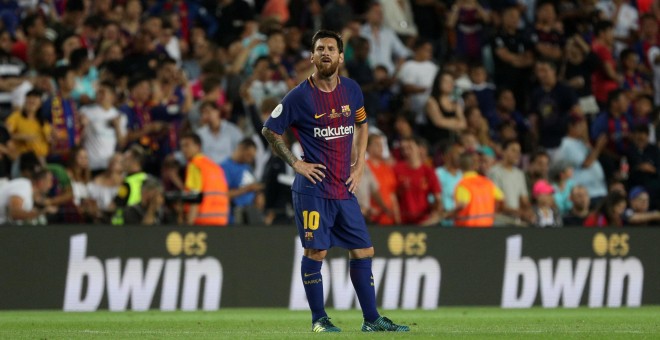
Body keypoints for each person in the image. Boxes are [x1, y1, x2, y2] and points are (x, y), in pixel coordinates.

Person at [261, 30, 409, 332]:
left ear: (341, 57)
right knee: (316, 252)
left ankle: (371, 320)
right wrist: (297, 163)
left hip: (344, 188)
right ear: (312, 57)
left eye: (331, 48)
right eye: (319, 49)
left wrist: (361, 162)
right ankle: (319, 320)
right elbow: (270, 130)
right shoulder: (299, 96)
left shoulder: (352, 90)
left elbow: (362, 123)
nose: (325, 53)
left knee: (364, 250)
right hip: (313, 190)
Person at [180, 132, 229, 226]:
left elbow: (194, 198)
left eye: (187, 145)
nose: (184, 150)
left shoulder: (195, 165)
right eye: (182, 146)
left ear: (198, 147)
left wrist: (188, 225)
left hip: (202, 223)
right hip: (221, 222)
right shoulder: (215, 167)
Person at [394, 137, 443, 225]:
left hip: (424, 220)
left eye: (410, 148)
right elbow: (393, 195)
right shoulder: (397, 169)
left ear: (419, 149)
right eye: (403, 149)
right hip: (403, 221)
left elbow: (438, 197)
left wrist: (435, 214)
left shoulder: (428, 171)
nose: (406, 151)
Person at [453, 151, 504, 227]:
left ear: (459, 166)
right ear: (475, 166)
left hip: (467, 230)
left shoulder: (463, 185)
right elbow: (501, 198)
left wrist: (448, 214)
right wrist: (495, 212)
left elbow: (462, 204)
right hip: (487, 227)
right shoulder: (488, 183)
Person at [220, 138, 264, 224]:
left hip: (251, 215)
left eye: (252, 157)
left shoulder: (248, 168)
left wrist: (259, 195)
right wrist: (246, 189)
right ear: (240, 148)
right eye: (249, 155)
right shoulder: (224, 168)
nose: (250, 159)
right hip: (234, 217)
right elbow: (223, 195)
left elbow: (254, 189)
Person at [487, 140, 532, 225]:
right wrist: (519, 212)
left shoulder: (520, 174)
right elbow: (496, 202)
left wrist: (528, 211)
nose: (517, 154)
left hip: (515, 218)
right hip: (500, 219)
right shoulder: (494, 172)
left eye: (519, 151)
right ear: (503, 152)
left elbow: (524, 199)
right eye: (513, 150)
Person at [366, 133, 400, 225]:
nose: (381, 147)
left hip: (388, 218)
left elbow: (392, 194)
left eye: (382, 145)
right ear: (368, 147)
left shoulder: (387, 168)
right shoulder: (364, 167)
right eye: (377, 144)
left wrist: (397, 217)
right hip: (370, 219)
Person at [111, 145, 148, 225]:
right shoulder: (146, 179)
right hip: (143, 224)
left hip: (127, 226)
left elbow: (115, 204)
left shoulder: (128, 183)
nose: (122, 162)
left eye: (125, 159)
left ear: (134, 161)